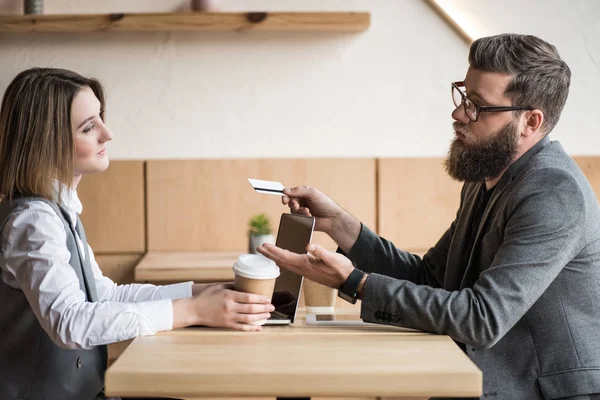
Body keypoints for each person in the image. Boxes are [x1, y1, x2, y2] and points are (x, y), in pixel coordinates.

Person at [257, 33, 600, 400]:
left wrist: (357, 282)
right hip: (475, 378)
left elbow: (482, 319)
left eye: (477, 106)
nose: (458, 113)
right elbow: (432, 278)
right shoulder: (487, 176)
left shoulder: (553, 191)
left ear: (530, 122)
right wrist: (343, 226)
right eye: (463, 95)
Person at [0, 68, 274, 400]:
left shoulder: (57, 213)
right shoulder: (33, 222)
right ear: (47, 141)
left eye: (101, 119)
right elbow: (69, 322)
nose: (108, 133)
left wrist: (199, 293)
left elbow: (103, 294)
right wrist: (192, 311)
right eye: (89, 127)